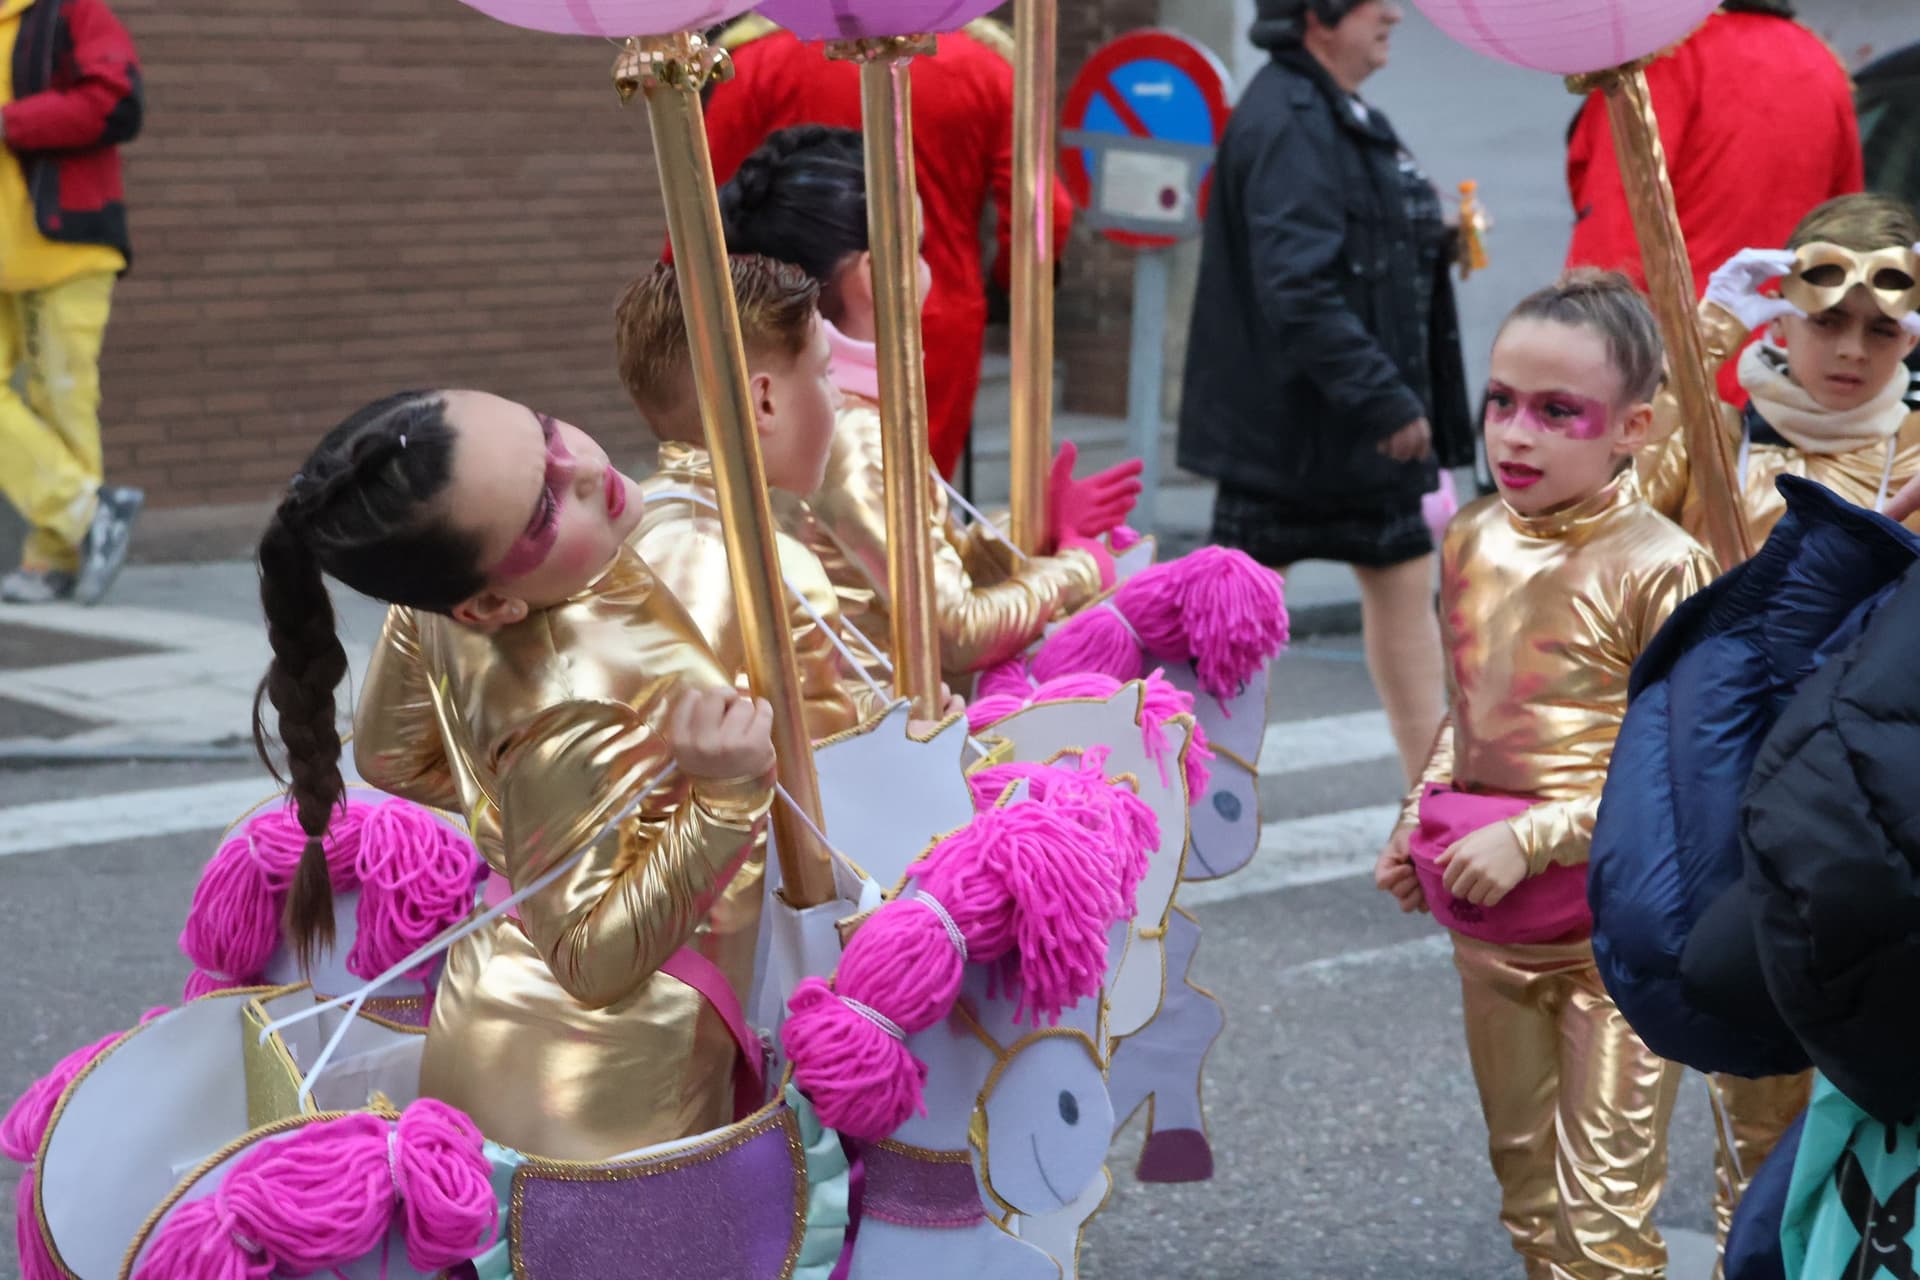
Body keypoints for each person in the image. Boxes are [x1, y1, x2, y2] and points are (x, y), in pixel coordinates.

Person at [256, 389, 779, 1162]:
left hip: (501, 1030)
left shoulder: (456, 594)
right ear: (492, 605)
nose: (584, 467)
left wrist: (526, 831)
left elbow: (391, 756)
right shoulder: (575, 699)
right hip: (599, 1106)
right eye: (541, 510)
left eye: (545, 432)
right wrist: (725, 797)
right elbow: (589, 960)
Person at [1373, 271, 1717, 1278]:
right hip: (1490, 929)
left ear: (1634, 426)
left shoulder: (1662, 562)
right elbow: (1467, 711)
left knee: (1604, 1222)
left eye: (1558, 411)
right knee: (1527, 1196)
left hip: (1611, 941)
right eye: (1502, 402)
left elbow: (1685, 772)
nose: (1517, 435)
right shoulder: (1473, 535)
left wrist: (1532, 833)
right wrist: (1416, 816)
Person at [717, 125, 1138, 686]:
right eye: (917, 250)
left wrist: (1030, 526)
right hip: (878, 734)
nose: (927, 274)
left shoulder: (819, 408)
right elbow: (953, 632)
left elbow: (930, 570)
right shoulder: (850, 434)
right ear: (871, 275)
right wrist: (1081, 569)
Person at [1177, 0, 1473, 785]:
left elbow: (1341, 248)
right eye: (1377, 3)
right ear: (1320, 17)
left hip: (1338, 428)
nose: (1395, 17)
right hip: (1295, 429)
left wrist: (1430, 239)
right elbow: (1297, 287)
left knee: (1407, 598)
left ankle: (1431, 795)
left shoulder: (1329, 107)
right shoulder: (1290, 118)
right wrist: (1385, 398)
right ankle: (1190, 798)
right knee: (1232, 628)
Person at [701, 14, 1074, 479]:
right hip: (929, 320)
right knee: (919, 503)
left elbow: (701, 215)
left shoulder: (760, 60)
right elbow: (1043, 216)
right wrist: (1003, 291)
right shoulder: (985, 67)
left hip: (775, 320)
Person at [616, 253, 934, 738]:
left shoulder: (666, 514)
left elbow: (795, 708)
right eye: (824, 374)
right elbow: (700, 757)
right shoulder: (731, 554)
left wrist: (893, 712)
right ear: (764, 401)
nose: (838, 396)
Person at [1565, 0, 1862, 408]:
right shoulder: (1820, 60)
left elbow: (1611, 243)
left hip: (1680, 383)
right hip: (1791, 381)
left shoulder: (1660, 58)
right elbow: (1849, 237)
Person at [1641, 194, 1920, 548]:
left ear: (1910, 339)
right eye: (1826, 322)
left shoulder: (1915, 457)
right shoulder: (1706, 443)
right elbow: (1606, 523)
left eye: (1882, 330)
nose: (1853, 350)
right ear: (1777, 320)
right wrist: (1705, 338)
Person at [0, 0, 145, 605]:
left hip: (66, 243)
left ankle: (53, 560)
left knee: (63, 398)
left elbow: (116, 101)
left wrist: (8, 122)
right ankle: (89, 514)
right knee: (54, 398)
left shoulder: (71, 11)